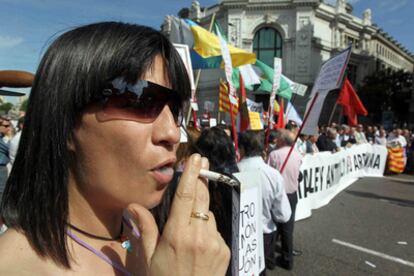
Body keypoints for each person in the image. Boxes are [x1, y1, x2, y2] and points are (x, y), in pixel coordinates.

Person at [0, 22, 230, 275]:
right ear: (64, 123)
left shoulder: (141, 230)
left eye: (175, 109)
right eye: (139, 100)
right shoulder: (14, 265)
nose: (173, 133)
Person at [237, 130, 291, 273]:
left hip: (239, 236)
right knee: (260, 270)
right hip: (265, 234)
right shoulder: (273, 175)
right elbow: (283, 215)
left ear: (241, 148)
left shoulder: (233, 172)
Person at [267, 129, 302, 270]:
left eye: (279, 138)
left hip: (277, 194)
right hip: (292, 194)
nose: (277, 140)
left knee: (272, 225)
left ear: (281, 140)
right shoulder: (297, 154)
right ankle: (288, 260)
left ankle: (269, 260)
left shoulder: (274, 154)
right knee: (287, 228)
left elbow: (267, 172)